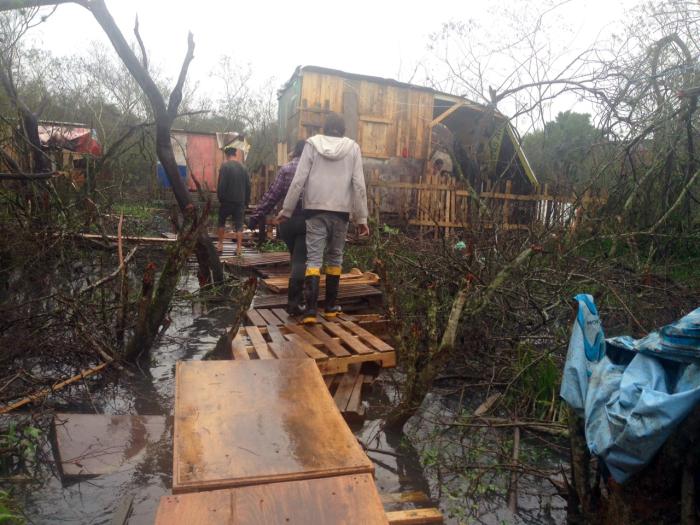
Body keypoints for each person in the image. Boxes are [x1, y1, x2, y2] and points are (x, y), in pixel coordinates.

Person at [278, 113, 370, 324]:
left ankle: (310, 311)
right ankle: (329, 308)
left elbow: (299, 179)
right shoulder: (353, 148)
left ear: (325, 128)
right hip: (341, 212)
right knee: (335, 257)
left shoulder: (312, 145)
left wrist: (287, 210)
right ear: (343, 130)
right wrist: (362, 218)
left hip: (314, 211)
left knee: (314, 259)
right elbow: (359, 184)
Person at [248, 139, 307, 315]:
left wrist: (255, 217)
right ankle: (295, 303)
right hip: (307, 222)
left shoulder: (286, 169)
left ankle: (298, 298)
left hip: (286, 222)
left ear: (294, 151)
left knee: (295, 258)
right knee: (300, 260)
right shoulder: (315, 170)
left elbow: (271, 196)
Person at [216, 147, 250, 256]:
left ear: (227, 155)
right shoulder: (244, 168)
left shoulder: (225, 166)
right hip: (240, 201)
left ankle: (220, 245)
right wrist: (246, 201)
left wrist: (221, 198)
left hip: (226, 201)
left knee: (221, 222)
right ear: (235, 154)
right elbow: (248, 186)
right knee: (239, 225)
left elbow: (221, 185)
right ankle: (239, 248)